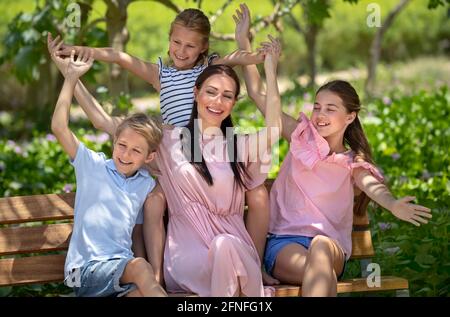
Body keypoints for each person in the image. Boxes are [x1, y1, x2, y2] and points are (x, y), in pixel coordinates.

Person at [50, 33, 282, 296]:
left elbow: (274, 128)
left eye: (227, 96)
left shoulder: (235, 145)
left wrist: (270, 67)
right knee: (223, 250)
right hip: (188, 253)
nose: (217, 101)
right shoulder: (172, 139)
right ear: (196, 93)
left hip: (233, 246)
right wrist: (70, 77)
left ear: (233, 103)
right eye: (211, 92)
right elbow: (104, 122)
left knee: (226, 247)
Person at [236, 7, 432, 295]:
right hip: (285, 244)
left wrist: (392, 204)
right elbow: (256, 94)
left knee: (321, 249)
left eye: (331, 108)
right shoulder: (299, 136)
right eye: (317, 107)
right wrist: (244, 42)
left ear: (350, 117)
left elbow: (372, 186)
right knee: (320, 270)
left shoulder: (351, 163)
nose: (320, 114)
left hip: (329, 245)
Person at [50, 49, 167, 297]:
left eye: (136, 151)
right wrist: (70, 78)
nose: (125, 154)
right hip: (83, 271)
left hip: (121, 273)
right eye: (122, 145)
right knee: (139, 269)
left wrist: (145, 278)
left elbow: (136, 233)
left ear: (150, 157)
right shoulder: (91, 165)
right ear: (114, 142)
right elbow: (59, 128)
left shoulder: (145, 184)